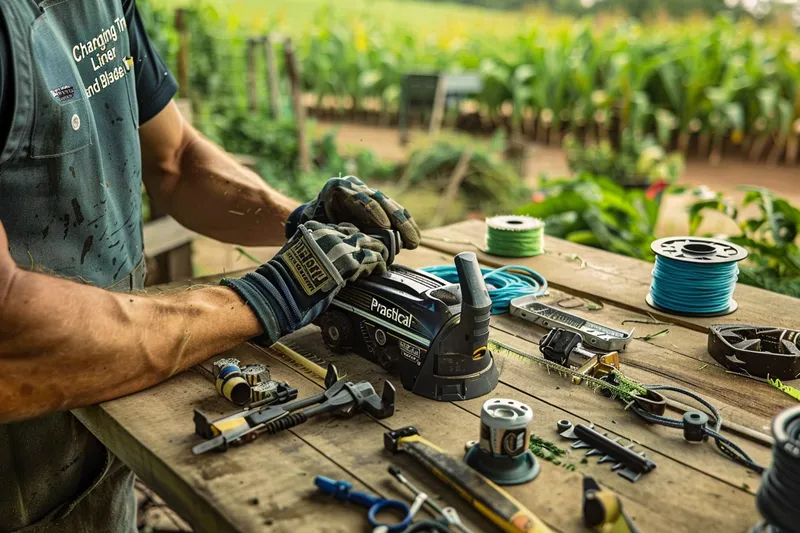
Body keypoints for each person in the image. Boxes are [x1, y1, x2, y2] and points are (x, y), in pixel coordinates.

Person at [0, 1, 421, 532]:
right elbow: (9, 335)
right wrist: (268, 296)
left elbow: (174, 161)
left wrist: (299, 218)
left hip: (107, 399)